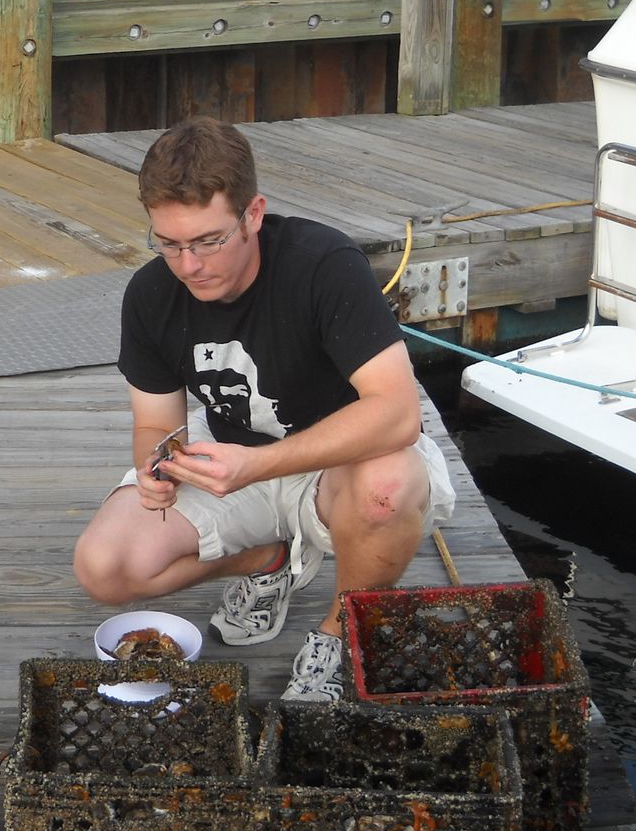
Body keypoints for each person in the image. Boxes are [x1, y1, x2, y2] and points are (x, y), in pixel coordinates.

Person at [72, 117, 455, 700]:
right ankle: (270, 560)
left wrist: (257, 465)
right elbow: (155, 421)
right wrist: (157, 468)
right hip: (232, 458)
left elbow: (398, 413)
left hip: (342, 465)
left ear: (253, 214)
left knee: (388, 489)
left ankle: (340, 634)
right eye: (169, 243)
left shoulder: (324, 264)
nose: (189, 265)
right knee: (104, 567)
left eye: (209, 241)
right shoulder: (150, 294)